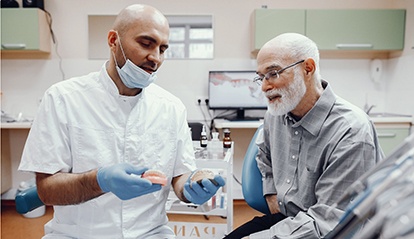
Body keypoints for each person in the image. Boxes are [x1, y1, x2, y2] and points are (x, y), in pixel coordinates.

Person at [18, 4, 224, 239]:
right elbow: (47, 190)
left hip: (151, 233)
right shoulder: (62, 98)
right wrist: (100, 180)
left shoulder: (171, 107)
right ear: (113, 40)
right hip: (77, 235)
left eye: (163, 48)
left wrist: (191, 187)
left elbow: (180, 175)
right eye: (146, 43)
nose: (155, 57)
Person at [223, 33, 384, 239]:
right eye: (261, 77)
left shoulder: (351, 131)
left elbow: (329, 223)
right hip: (291, 219)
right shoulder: (277, 112)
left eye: (273, 73)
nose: (264, 86)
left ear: (308, 68)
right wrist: (272, 193)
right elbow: (264, 155)